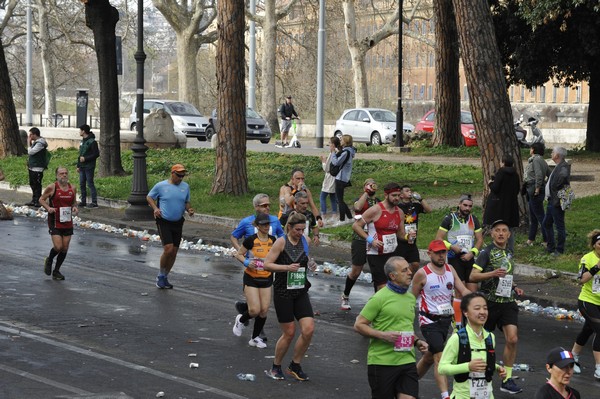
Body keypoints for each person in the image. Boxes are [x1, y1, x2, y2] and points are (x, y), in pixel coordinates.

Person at [354, 256, 429, 399]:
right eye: (404, 270)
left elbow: (405, 326)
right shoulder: (379, 298)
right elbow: (359, 325)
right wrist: (383, 335)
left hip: (407, 360)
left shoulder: (410, 298)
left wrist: (418, 342)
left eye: (409, 269)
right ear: (393, 276)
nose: (410, 273)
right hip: (382, 362)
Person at [469, 219, 525, 395]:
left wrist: (514, 286)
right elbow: (473, 275)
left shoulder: (509, 251)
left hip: (507, 302)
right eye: (497, 230)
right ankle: (476, 375)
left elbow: (505, 275)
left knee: (513, 339)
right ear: (492, 234)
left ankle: (507, 379)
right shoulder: (486, 252)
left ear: (509, 234)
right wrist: (492, 273)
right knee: (481, 342)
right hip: (489, 303)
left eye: (504, 230)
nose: (501, 233)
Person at [412, 240, 471, 399]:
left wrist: (478, 302)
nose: (441, 255)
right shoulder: (422, 274)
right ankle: (445, 396)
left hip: (445, 321)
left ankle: (409, 383)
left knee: (429, 357)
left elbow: (463, 290)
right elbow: (411, 299)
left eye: (443, 252)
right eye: (437, 252)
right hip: (428, 321)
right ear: (429, 253)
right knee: (440, 356)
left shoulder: (450, 269)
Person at [263, 212, 317, 381]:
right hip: (283, 292)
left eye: (303, 229)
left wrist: (311, 263)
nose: (300, 233)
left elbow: (306, 259)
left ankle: (295, 364)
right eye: (297, 230)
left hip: (300, 291)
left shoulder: (305, 241)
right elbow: (267, 265)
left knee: (308, 330)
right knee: (289, 333)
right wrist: (286, 268)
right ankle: (276, 366)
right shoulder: (281, 242)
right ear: (289, 228)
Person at [230, 193, 284, 341]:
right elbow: (234, 236)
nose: (267, 208)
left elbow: (281, 238)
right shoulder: (246, 222)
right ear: (256, 207)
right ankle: (250, 318)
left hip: (267, 270)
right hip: (252, 268)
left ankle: (253, 324)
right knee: (256, 308)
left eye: (268, 205)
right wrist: (243, 254)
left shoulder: (275, 221)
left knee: (263, 308)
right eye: (264, 205)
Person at [438, 292, 507, 399]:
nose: (482, 312)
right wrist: (468, 367)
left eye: (485, 308)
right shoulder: (457, 338)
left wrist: (497, 368)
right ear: (466, 312)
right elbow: (442, 368)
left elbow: (484, 361)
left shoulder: (490, 337)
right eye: (477, 308)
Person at [435, 194, 483, 328]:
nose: (467, 208)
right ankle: (456, 323)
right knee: (460, 293)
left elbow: (479, 239)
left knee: (472, 293)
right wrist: (451, 247)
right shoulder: (449, 219)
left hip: (469, 258)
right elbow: (438, 238)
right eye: (465, 205)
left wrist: (472, 252)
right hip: (454, 258)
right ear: (459, 204)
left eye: (470, 206)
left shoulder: (474, 219)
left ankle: (471, 323)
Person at [146, 164, 195, 289]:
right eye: (179, 175)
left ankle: (165, 277)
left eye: (183, 176)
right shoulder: (161, 186)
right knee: (168, 249)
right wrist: (155, 208)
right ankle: (160, 275)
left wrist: (189, 210)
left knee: (174, 252)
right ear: (172, 173)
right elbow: (149, 197)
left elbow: (186, 202)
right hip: (164, 221)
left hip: (178, 222)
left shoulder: (185, 187)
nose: (181, 178)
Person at [352, 182, 407, 292]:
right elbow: (356, 226)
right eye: (394, 195)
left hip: (391, 252)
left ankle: (381, 305)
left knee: (392, 283)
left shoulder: (399, 212)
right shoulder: (376, 210)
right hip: (375, 253)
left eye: (398, 195)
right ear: (386, 195)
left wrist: (408, 237)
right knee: (382, 285)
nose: (397, 198)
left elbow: (401, 234)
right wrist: (371, 240)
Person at [232, 212, 275, 349]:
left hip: (267, 278)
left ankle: (255, 338)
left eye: (268, 224)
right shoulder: (251, 240)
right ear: (257, 225)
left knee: (264, 311)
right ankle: (240, 319)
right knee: (254, 310)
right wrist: (246, 262)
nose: (266, 226)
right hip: (251, 278)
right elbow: (238, 254)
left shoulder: (273, 240)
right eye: (263, 224)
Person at [341, 178, 380, 310]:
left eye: (373, 184)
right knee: (356, 271)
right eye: (368, 184)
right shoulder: (360, 199)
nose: (372, 186)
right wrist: (366, 192)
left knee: (377, 270)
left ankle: (378, 300)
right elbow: (357, 207)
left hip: (374, 239)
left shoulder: (378, 202)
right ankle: (346, 295)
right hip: (360, 238)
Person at [569, 229, 600, 379]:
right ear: (594, 245)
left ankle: (573, 357)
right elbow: (581, 279)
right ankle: (599, 368)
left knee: (588, 329)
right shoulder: (587, 259)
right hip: (587, 300)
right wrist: (597, 267)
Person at [38, 167, 78, 280]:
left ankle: (56, 271)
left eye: (66, 173)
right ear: (57, 175)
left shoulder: (73, 188)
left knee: (65, 248)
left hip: (67, 221)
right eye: (61, 174)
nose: (64, 175)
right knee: (58, 246)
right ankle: (49, 259)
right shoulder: (52, 187)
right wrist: (48, 208)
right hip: (55, 221)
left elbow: (74, 203)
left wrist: (75, 208)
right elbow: (41, 199)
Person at [482, 154, 520, 253]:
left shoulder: (501, 172)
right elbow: (517, 190)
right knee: (509, 228)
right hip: (511, 205)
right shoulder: (515, 174)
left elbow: (495, 188)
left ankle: (497, 248)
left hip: (499, 205)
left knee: (497, 227)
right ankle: (510, 249)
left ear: (503, 162)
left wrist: (490, 183)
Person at [397, 184, 432, 273]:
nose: (410, 192)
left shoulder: (415, 206)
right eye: (407, 191)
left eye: (410, 191)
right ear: (401, 195)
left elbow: (429, 210)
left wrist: (420, 199)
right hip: (400, 240)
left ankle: (408, 279)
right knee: (400, 264)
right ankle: (400, 281)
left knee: (415, 263)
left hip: (412, 239)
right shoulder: (398, 207)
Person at [543, 146, 570, 255]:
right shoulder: (558, 166)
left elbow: (563, 177)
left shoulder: (563, 166)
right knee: (546, 223)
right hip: (552, 200)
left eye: (553, 152)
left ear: (557, 155)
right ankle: (551, 246)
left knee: (559, 226)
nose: (551, 154)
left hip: (557, 201)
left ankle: (559, 249)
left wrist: (554, 186)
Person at [523, 142, 550, 247]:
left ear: (533, 149)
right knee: (533, 216)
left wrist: (538, 187)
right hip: (531, 189)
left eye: (531, 148)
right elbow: (549, 173)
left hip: (534, 190)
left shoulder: (536, 160)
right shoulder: (541, 160)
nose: (530, 150)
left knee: (540, 216)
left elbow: (539, 174)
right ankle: (531, 239)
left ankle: (547, 239)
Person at [330, 134, 356, 222]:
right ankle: (349, 217)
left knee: (339, 200)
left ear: (345, 142)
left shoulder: (345, 152)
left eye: (341, 140)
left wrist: (333, 152)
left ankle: (342, 220)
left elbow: (336, 162)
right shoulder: (349, 151)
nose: (340, 141)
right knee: (340, 199)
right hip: (343, 177)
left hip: (341, 178)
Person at [76, 124, 100, 208]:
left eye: (80, 130)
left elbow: (96, 154)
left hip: (89, 166)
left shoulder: (92, 142)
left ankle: (94, 202)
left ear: (83, 131)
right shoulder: (83, 141)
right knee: (82, 184)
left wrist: (86, 159)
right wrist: (78, 165)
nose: (79, 132)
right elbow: (80, 154)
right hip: (82, 166)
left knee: (90, 183)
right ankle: (83, 201)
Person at [319, 136, 340, 221]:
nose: (329, 145)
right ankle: (334, 214)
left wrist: (323, 161)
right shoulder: (338, 152)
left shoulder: (332, 154)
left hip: (330, 178)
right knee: (332, 196)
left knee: (322, 197)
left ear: (333, 145)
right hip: (335, 177)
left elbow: (326, 169)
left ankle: (323, 214)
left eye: (330, 143)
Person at [26, 127, 48, 207]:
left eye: (31, 134)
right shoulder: (36, 142)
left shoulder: (40, 143)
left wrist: (28, 143)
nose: (29, 136)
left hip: (37, 167)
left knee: (37, 184)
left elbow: (31, 152)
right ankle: (34, 199)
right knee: (32, 183)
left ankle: (38, 200)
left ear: (35, 134)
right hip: (32, 167)